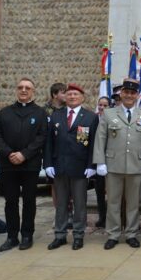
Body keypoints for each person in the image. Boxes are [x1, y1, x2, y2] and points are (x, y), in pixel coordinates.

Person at [93, 78, 141, 250]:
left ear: (137, 95)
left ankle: (131, 234)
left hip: (136, 165)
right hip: (113, 165)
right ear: (121, 94)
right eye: (126, 92)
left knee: (133, 203)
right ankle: (113, 234)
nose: (129, 95)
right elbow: (101, 138)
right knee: (113, 202)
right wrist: (100, 162)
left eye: (132, 93)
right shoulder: (109, 113)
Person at [0, 78, 48, 252]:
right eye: (20, 87)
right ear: (16, 90)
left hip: (30, 164)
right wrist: (9, 153)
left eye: (27, 88)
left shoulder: (40, 113)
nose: (24, 90)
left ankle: (27, 234)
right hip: (8, 164)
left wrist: (24, 154)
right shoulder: (5, 112)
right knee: (11, 201)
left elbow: (42, 137)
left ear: (33, 92)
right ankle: (12, 236)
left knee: (29, 201)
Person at [44, 83, 99, 251]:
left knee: (80, 204)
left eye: (76, 94)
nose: (72, 97)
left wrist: (92, 165)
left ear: (82, 97)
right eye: (69, 94)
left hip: (80, 168)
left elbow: (92, 144)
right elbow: (49, 143)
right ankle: (59, 235)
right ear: (65, 97)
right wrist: (47, 164)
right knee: (61, 204)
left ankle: (78, 235)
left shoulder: (90, 117)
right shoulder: (56, 116)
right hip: (60, 167)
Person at [94, 96, 111, 227]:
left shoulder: (112, 120)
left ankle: (112, 217)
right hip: (96, 161)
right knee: (99, 191)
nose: (102, 108)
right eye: (100, 105)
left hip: (111, 160)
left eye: (105, 105)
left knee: (112, 192)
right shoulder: (91, 119)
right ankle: (102, 216)